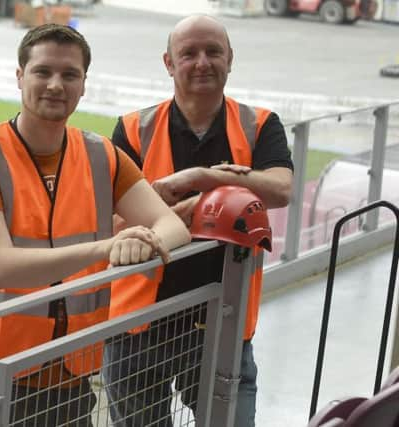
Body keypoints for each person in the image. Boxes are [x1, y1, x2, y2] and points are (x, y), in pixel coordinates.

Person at [0, 23, 190, 427]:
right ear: (20, 76)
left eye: (70, 75)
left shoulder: (100, 155)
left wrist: (144, 241)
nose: (56, 85)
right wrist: (107, 248)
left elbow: (172, 225)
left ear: (84, 84)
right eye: (43, 72)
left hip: (71, 374)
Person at [103, 15, 293, 427]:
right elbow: (115, 222)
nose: (202, 62)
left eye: (213, 51)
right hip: (139, 322)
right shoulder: (135, 129)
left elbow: (280, 189)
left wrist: (203, 179)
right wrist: (202, 205)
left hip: (223, 319)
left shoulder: (258, 124)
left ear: (231, 59)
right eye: (189, 53)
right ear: (169, 63)